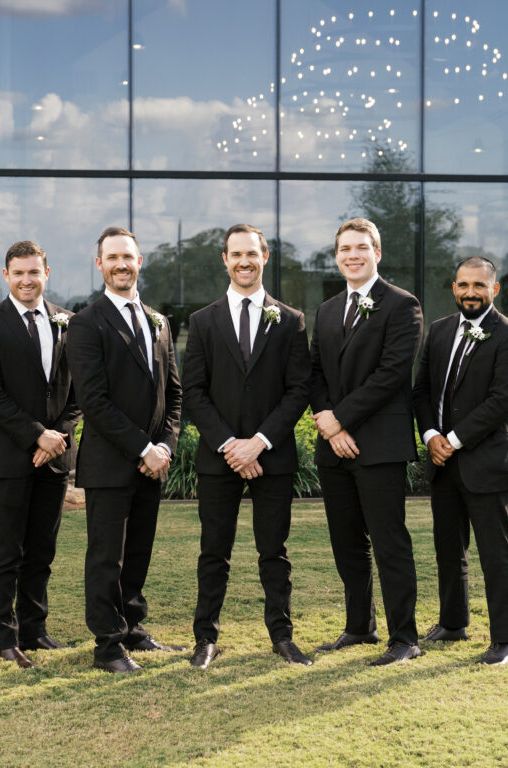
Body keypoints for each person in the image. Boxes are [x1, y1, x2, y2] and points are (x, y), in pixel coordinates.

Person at [181, 224, 312, 669]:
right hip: (219, 460)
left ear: (265, 257)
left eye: (251, 253)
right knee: (213, 551)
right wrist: (229, 446)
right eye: (236, 254)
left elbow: (298, 391)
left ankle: (282, 636)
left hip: (271, 457)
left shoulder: (291, 320)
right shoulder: (202, 321)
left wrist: (257, 443)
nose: (244, 261)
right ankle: (205, 639)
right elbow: (194, 391)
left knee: (273, 551)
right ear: (224, 259)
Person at [66, 226, 182, 673]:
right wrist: (142, 448)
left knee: (138, 553)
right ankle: (108, 645)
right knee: (106, 557)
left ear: (139, 262)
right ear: (100, 265)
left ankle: (133, 628)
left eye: (128, 257)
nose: (121, 265)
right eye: (112, 258)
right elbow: (93, 401)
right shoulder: (86, 323)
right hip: (110, 464)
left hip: (152, 466)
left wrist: (165, 447)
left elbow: (174, 393)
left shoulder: (159, 320)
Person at [309, 218, 425, 666]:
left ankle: (405, 638)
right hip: (334, 447)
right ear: (336, 256)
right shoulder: (328, 309)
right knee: (347, 543)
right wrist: (329, 425)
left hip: (379, 445)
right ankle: (359, 627)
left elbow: (392, 374)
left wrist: (340, 419)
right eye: (344, 249)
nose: (351, 255)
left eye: (360, 247)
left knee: (389, 540)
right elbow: (314, 372)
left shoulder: (402, 305)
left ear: (378, 252)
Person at [0, 240, 80, 669]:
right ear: (6, 276)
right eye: (19, 273)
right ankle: (6, 638)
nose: (27, 280)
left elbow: (80, 390)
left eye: (34, 272)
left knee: (42, 550)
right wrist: (36, 437)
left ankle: (35, 630)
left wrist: (57, 437)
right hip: (11, 456)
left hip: (56, 456)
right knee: (5, 552)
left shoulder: (69, 322)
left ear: (46, 273)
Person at [412, 256, 508, 665]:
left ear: (494, 290)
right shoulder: (440, 330)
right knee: (448, 547)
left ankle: (504, 639)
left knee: (494, 553)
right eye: (463, 285)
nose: (470, 293)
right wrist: (431, 437)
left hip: (486, 464)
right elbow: (422, 390)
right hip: (441, 463)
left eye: (479, 286)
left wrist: (453, 440)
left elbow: (501, 402)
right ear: (454, 288)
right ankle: (452, 622)